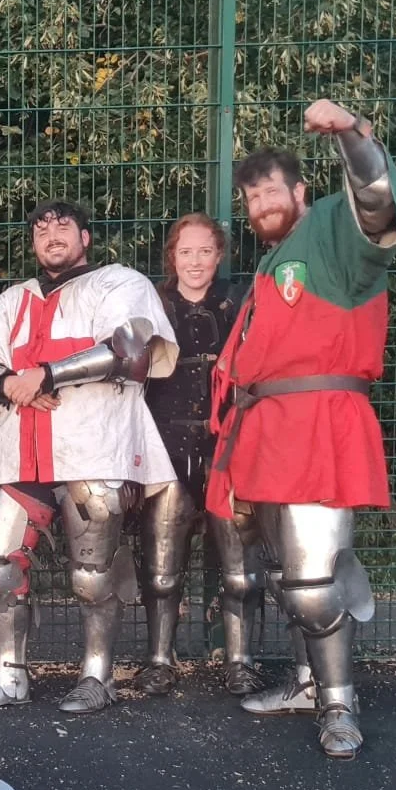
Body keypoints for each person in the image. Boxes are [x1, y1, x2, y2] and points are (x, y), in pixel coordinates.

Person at [208, 100, 396, 760]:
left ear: (301, 191)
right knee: (285, 573)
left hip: (319, 421)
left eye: (272, 187)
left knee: (316, 581)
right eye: (250, 194)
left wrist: (352, 133)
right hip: (267, 429)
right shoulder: (272, 265)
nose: (260, 200)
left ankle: (338, 705)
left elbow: (378, 207)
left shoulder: (331, 229)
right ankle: (304, 682)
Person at [0, 201, 178, 713]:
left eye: (63, 226)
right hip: (20, 448)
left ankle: (97, 677)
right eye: (40, 228)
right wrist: (12, 382)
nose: (51, 234)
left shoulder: (121, 283)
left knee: (92, 575)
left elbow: (130, 350)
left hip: (96, 446)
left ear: (86, 237)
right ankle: (9, 677)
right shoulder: (14, 299)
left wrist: (48, 375)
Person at [133, 213, 263, 696]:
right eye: (185, 252)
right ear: (172, 256)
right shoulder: (152, 303)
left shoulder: (241, 304)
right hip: (165, 447)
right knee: (162, 572)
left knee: (241, 573)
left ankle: (240, 661)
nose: (195, 261)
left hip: (231, 448)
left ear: (219, 254)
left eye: (204, 251)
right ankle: (159, 659)